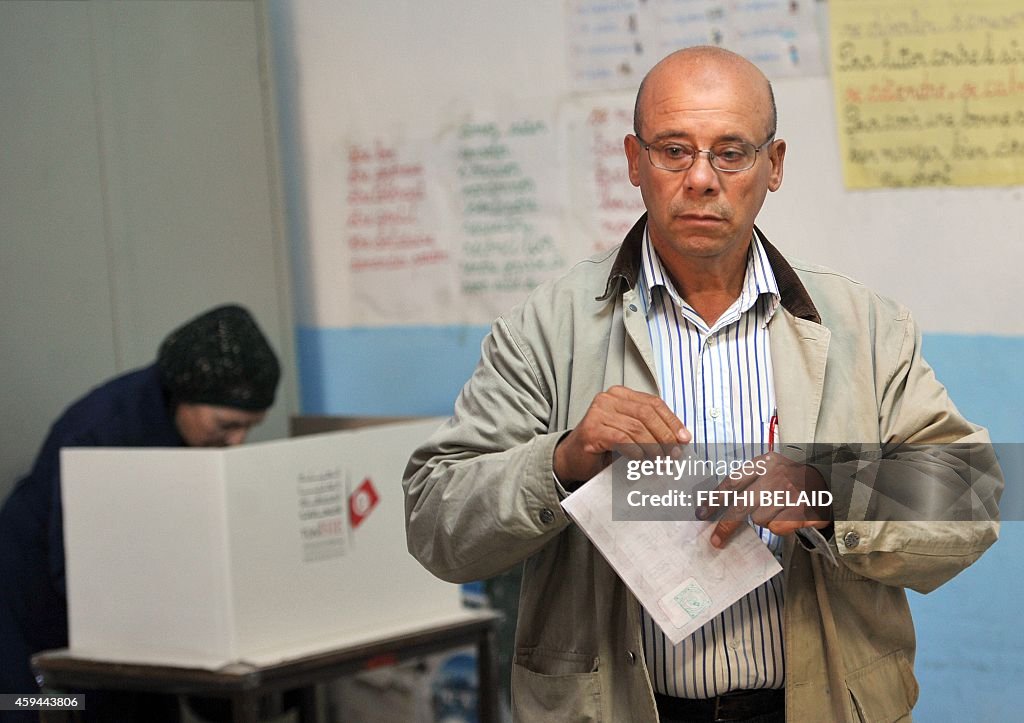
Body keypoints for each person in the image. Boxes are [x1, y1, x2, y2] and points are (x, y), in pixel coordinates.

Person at [404, 47, 1002, 722]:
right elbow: (435, 519)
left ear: (773, 166)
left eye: (731, 152)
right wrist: (562, 462)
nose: (701, 179)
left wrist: (826, 489)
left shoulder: (863, 326)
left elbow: (970, 494)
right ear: (635, 161)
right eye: (673, 150)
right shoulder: (548, 327)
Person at [0, 304, 280, 719]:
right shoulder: (98, 436)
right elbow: (78, 573)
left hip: (131, 631)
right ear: (183, 399)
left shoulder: (191, 433)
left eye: (249, 427)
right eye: (226, 425)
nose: (237, 442)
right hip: (33, 617)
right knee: (39, 711)